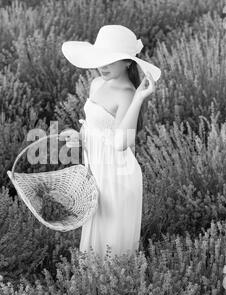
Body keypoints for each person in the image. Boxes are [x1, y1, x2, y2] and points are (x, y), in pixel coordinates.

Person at [59, 25, 161, 261]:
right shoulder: (96, 84)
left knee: (111, 243)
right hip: (96, 168)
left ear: (127, 62)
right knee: (96, 228)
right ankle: (91, 288)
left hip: (116, 176)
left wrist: (138, 99)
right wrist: (78, 136)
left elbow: (121, 142)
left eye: (111, 60)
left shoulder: (126, 93)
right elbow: (94, 127)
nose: (102, 66)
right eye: (100, 59)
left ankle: (114, 290)